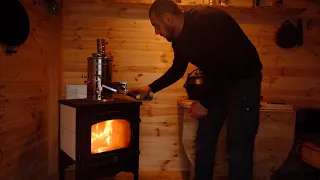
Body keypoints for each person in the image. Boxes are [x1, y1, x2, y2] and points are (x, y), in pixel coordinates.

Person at [128, 0, 263, 179]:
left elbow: (224, 65)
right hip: (218, 82)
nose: (156, 32)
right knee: (204, 141)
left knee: (238, 147)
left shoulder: (207, 21)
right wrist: (150, 88)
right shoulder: (179, 40)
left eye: (156, 25)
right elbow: (178, 69)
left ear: (168, 18)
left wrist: (204, 102)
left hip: (244, 80)